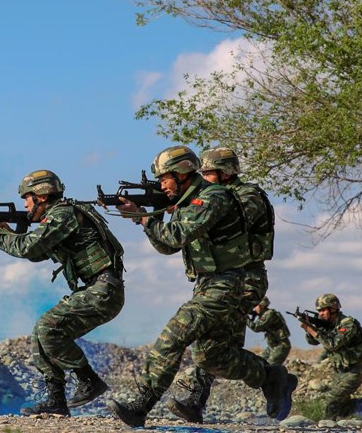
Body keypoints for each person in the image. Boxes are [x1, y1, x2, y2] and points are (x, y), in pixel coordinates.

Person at [104, 146, 296, 428]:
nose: (162, 185)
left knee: (174, 335)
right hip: (209, 282)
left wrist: (148, 217)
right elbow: (167, 246)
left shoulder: (216, 196)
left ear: (181, 173)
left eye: (165, 179)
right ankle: (269, 376)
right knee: (211, 355)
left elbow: (177, 235)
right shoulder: (198, 198)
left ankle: (141, 405)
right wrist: (148, 218)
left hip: (230, 282)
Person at [0, 169, 125, 416]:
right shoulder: (63, 215)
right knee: (41, 333)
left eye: (27, 198)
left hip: (104, 289)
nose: (24, 204)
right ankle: (56, 400)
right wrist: (7, 231)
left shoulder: (63, 215)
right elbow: (39, 253)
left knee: (48, 327)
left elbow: (29, 249)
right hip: (99, 289)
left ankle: (89, 380)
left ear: (41, 196)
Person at [168, 147, 279, 424]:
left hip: (246, 279)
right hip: (218, 277)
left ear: (225, 172)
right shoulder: (209, 197)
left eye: (207, 173)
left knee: (211, 342)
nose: (202, 178)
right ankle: (271, 381)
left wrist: (187, 207)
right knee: (214, 344)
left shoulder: (247, 196)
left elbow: (224, 218)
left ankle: (270, 379)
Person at [302, 293, 362, 420]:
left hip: (353, 371)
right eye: (319, 311)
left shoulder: (347, 324)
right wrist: (309, 328)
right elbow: (313, 342)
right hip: (339, 371)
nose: (320, 314)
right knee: (342, 405)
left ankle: (327, 425)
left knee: (332, 399)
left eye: (323, 310)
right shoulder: (329, 325)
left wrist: (311, 329)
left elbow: (332, 345)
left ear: (333, 309)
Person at [248, 297, 292, 365]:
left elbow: (256, 327)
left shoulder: (269, 314)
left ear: (261, 306)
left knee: (270, 369)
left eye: (256, 306)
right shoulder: (264, 314)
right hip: (273, 346)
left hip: (281, 346)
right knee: (258, 364)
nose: (254, 308)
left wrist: (245, 318)